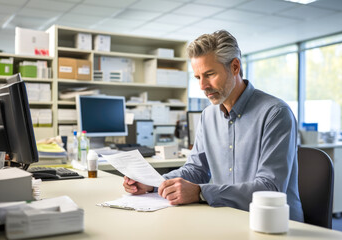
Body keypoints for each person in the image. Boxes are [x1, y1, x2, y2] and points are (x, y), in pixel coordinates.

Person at [123, 30, 304, 222]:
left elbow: (270, 188)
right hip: (227, 218)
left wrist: (200, 193)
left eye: (209, 74)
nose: (202, 86)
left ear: (235, 67)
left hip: (273, 224)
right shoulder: (208, 115)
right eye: (198, 77)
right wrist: (153, 184)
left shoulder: (275, 113)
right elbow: (195, 170)